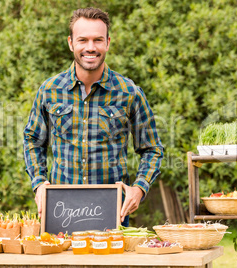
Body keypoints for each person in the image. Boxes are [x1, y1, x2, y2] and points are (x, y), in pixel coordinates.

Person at [23, 7, 164, 226]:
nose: (91, 47)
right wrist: (39, 182)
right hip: (61, 213)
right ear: (71, 43)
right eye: (83, 40)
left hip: (112, 213)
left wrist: (139, 188)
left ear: (108, 42)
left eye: (98, 40)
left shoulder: (129, 92)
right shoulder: (49, 90)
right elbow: (33, 140)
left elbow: (152, 148)